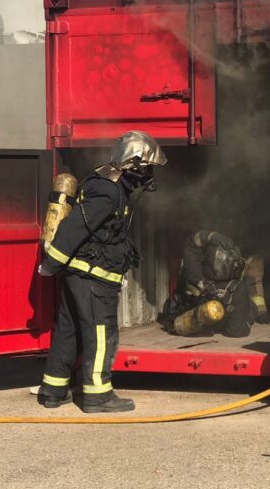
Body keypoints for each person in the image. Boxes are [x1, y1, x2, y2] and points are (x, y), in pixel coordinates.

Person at [36, 130, 166, 412]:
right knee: (100, 335)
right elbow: (74, 228)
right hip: (93, 278)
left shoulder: (109, 185)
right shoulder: (108, 191)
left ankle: (53, 390)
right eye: (148, 167)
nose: (151, 174)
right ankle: (98, 396)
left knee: (69, 331)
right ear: (133, 164)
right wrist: (51, 263)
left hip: (81, 276)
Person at [167, 231, 259, 338]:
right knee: (251, 305)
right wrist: (247, 322)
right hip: (225, 323)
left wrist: (211, 236)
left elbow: (191, 245)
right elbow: (236, 331)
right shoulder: (238, 289)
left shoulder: (195, 275)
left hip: (197, 324)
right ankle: (252, 310)